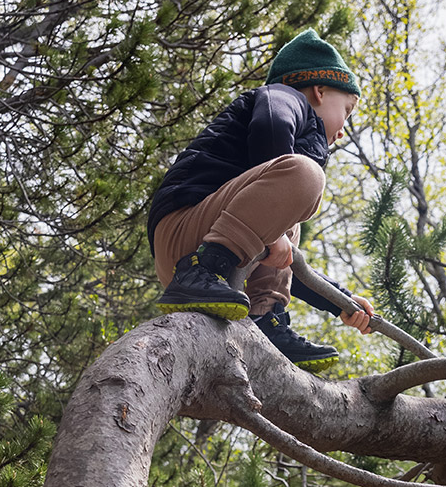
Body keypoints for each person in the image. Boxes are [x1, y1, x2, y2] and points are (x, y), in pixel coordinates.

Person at [147, 28, 375, 372]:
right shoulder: (282, 97)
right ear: (319, 90)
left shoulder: (270, 197)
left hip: (214, 244)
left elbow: (285, 262)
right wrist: (274, 235)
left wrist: (340, 302)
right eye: (347, 109)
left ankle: (265, 319)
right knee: (305, 176)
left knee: (289, 225)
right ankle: (201, 272)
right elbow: (271, 127)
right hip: (185, 230)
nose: (343, 129)